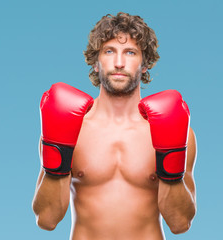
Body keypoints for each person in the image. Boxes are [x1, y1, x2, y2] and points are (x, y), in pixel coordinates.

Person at [32, 12, 197, 240]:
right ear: (96, 63)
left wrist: (170, 161)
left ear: (145, 64)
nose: (119, 63)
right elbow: (47, 219)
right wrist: (58, 156)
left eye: (130, 52)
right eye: (109, 51)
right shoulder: (70, 127)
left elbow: (180, 223)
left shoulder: (178, 131)